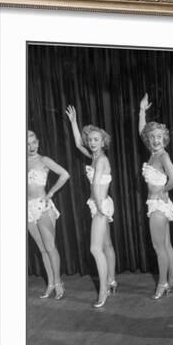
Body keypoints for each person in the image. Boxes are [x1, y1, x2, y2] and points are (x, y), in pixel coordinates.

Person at [66, 105, 117, 308]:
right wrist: (73, 122)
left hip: (100, 205)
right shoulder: (94, 156)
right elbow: (79, 144)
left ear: (103, 141)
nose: (92, 143)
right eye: (91, 140)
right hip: (100, 203)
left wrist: (98, 208)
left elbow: (96, 185)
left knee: (95, 248)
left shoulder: (102, 159)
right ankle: (112, 280)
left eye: (96, 140)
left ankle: (104, 289)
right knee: (107, 245)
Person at [138, 94, 173, 299]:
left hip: (158, 205)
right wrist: (142, 111)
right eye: (152, 137)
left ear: (164, 139)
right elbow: (141, 131)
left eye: (159, 137)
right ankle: (172, 281)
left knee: (158, 247)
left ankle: (162, 284)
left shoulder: (162, 155)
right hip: (159, 204)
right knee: (167, 245)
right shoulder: (153, 153)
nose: (155, 140)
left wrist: (162, 191)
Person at [27, 130, 70, 300]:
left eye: (33, 142)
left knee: (50, 247)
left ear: (38, 142)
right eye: (27, 143)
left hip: (43, 207)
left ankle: (59, 283)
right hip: (27, 209)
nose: (31, 146)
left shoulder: (43, 160)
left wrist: (51, 192)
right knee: (42, 249)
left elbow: (65, 174)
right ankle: (50, 283)